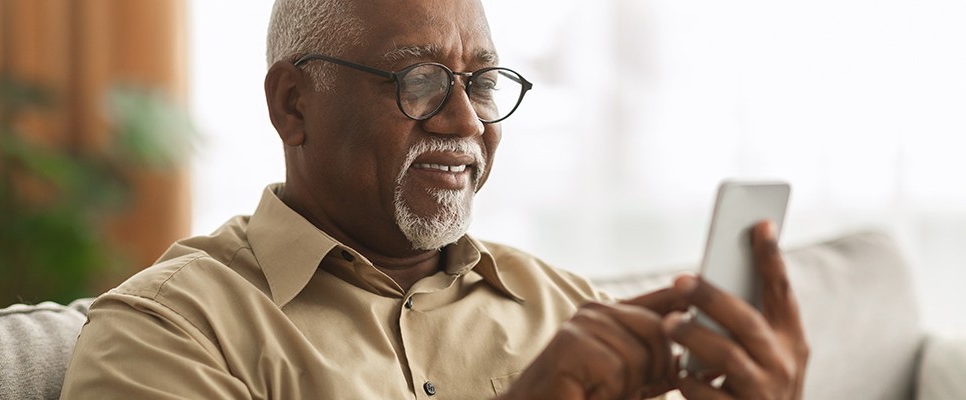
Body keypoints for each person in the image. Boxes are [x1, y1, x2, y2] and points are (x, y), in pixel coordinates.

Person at [61, 0, 808, 398]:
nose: (465, 122)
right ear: (294, 104)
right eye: (418, 80)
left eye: (481, 82)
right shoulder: (168, 331)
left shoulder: (570, 309)